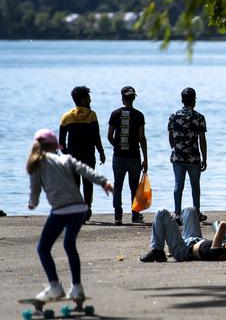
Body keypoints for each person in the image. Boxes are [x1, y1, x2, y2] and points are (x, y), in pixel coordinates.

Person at [27, 129, 113, 301]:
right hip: (80, 209)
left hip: (61, 210)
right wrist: (104, 182)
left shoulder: (37, 162)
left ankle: (55, 286)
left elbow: (35, 191)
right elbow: (86, 170)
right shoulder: (65, 158)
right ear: (55, 146)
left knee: (43, 248)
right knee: (69, 245)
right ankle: (77, 287)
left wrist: (32, 203)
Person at [140, 207, 226, 262]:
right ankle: (173, 226)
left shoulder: (219, 251)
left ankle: (157, 251)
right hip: (195, 240)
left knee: (162, 213)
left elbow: (222, 225)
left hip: (182, 250)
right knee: (190, 210)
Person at [59, 86, 106, 222]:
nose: (90, 100)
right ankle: (87, 207)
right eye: (88, 98)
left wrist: (66, 154)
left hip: (72, 157)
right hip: (88, 156)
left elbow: (61, 141)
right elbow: (96, 136)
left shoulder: (66, 117)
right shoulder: (92, 115)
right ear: (83, 99)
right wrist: (101, 152)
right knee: (88, 183)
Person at [108, 86, 148, 225]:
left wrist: (117, 147)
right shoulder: (139, 115)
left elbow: (109, 136)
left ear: (122, 98)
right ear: (133, 98)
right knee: (134, 187)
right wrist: (145, 158)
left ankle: (117, 217)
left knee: (117, 186)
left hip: (118, 157)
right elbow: (142, 137)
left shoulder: (115, 114)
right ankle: (135, 215)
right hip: (134, 156)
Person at [168, 87, 208, 224]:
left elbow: (170, 137)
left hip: (178, 157)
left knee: (178, 185)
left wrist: (175, 149)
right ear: (194, 100)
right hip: (193, 158)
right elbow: (202, 139)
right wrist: (205, 158)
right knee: (195, 186)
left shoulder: (173, 116)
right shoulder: (199, 117)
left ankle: (177, 213)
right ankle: (196, 212)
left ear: (182, 100)